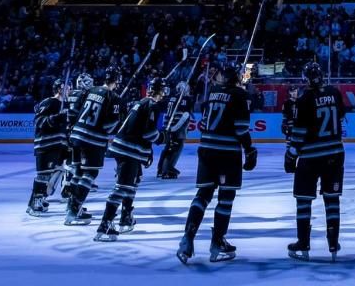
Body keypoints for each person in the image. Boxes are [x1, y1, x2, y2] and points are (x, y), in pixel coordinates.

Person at [177, 65, 258, 264]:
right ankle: (217, 242)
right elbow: (241, 128)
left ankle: (187, 238)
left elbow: (205, 122)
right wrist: (250, 150)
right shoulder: (239, 94)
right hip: (227, 153)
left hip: (206, 149)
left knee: (203, 195)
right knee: (225, 197)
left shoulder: (213, 92)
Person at [286, 62, 347, 262]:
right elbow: (342, 116)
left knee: (303, 200)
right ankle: (332, 242)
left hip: (310, 157)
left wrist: (291, 154)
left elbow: (299, 132)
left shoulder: (304, 98)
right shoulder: (335, 93)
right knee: (332, 199)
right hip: (335, 154)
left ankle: (303, 242)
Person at [95, 78, 169, 241]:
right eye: (163, 91)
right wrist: (163, 137)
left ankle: (125, 217)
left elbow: (139, 129)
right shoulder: (151, 105)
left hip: (127, 149)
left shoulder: (142, 103)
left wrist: (147, 151)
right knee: (122, 187)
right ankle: (104, 225)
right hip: (128, 151)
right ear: (161, 91)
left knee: (134, 181)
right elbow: (149, 133)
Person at [65, 69, 124, 225]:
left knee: (78, 172)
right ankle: (74, 210)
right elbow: (109, 125)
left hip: (76, 136)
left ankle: (70, 206)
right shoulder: (114, 97)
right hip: (93, 140)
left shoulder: (90, 90)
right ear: (117, 81)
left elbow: (73, 112)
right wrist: (116, 119)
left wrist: (73, 127)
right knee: (90, 174)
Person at [26, 79, 67, 217]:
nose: (70, 91)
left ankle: (38, 199)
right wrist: (57, 117)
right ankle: (34, 204)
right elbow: (38, 121)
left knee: (53, 173)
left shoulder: (64, 105)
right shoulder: (49, 102)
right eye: (68, 88)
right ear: (60, 89)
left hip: (57, 145)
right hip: (45, 144)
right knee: (43, 175)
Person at [158, 81, 192, 179]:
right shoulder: (185, 99)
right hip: (177, 127)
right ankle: (167, 169)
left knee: (168, 147)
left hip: (168, 125)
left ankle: (161, 169)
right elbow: (185, 115)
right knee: (175, 148)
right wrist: (176, 127)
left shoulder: (171, 98)